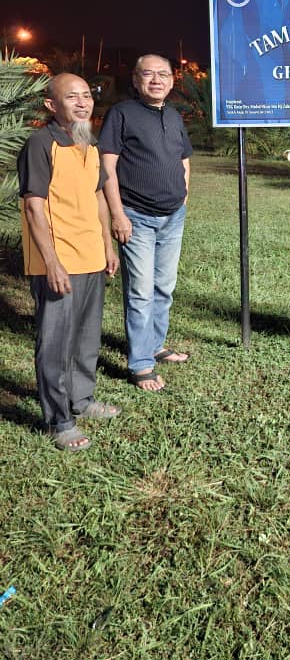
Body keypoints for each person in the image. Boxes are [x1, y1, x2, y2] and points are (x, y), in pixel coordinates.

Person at [18, 73, 120, 451]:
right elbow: (33, 206)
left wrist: (107, 246)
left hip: (90, 256)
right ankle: (59, 420)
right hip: (59, 260)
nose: (82, 103)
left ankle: (81, 398)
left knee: (86, 338)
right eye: (71, 97)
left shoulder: (88, 143)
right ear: (51, 105)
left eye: (86, 96)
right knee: (56, 344)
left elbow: (98, 197)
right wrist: (52, 263)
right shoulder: (40, 144)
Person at [99, 54, 193, 391]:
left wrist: (184, 197)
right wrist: (118, 214)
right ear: (136, 80)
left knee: (164, 286)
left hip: (173, 217)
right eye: (149, 74)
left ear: (172, 80)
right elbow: (107, 167)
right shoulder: (122, 114)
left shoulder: (173, 115)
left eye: (163, 74)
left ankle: (155, 345)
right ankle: (141, 364)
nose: (157, 80)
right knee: (140, 292)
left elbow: (184, 158)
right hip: (136, 216)